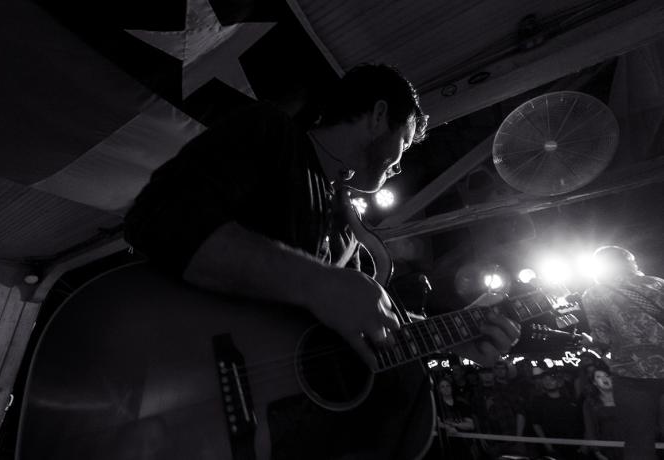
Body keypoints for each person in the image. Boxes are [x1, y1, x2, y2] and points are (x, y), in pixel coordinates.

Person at [124, 63, 520, 458]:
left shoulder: (349, 233)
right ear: (379, 115)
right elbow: (158, 218)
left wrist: (454, 335)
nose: (399, 165)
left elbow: (365, 329)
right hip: (161, 377)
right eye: (405, 141)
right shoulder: (273, 133)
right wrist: (317, 282)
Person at [581, 245, 664, 460]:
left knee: (639, 441)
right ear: (631, 263)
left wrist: (590, 342)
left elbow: (603, 340)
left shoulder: (594, 294)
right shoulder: (658, 284)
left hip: (632, 377)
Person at [528, 366, 584, 460]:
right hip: (552, 447)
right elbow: (536, 424)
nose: (548, 382)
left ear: (559, 382)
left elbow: (580, 423)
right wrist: (547, 445)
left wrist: (583, 444)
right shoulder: (538, 401)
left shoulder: (570, 401)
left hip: (573, 446)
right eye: (545, 379)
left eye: (551, 379)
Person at [427, 377, 476, 460]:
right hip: (446, 446)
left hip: (466, 445)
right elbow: (437, 423)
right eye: (443, 387)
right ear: (439, 389)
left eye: (448, 386)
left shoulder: (461, 403)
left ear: (451, 387)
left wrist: (453, 424)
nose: (446, 388)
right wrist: (448, 427)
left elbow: (471, 425)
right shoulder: (436, 406)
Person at [582, 366, 622, 460]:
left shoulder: (625, 398)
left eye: (607, 375)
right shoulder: (590, 403)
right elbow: (590, 427)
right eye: (599, 377)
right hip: (607, 444)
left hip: (630, 442)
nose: (604, 378)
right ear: (594, 383)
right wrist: (596, 450)